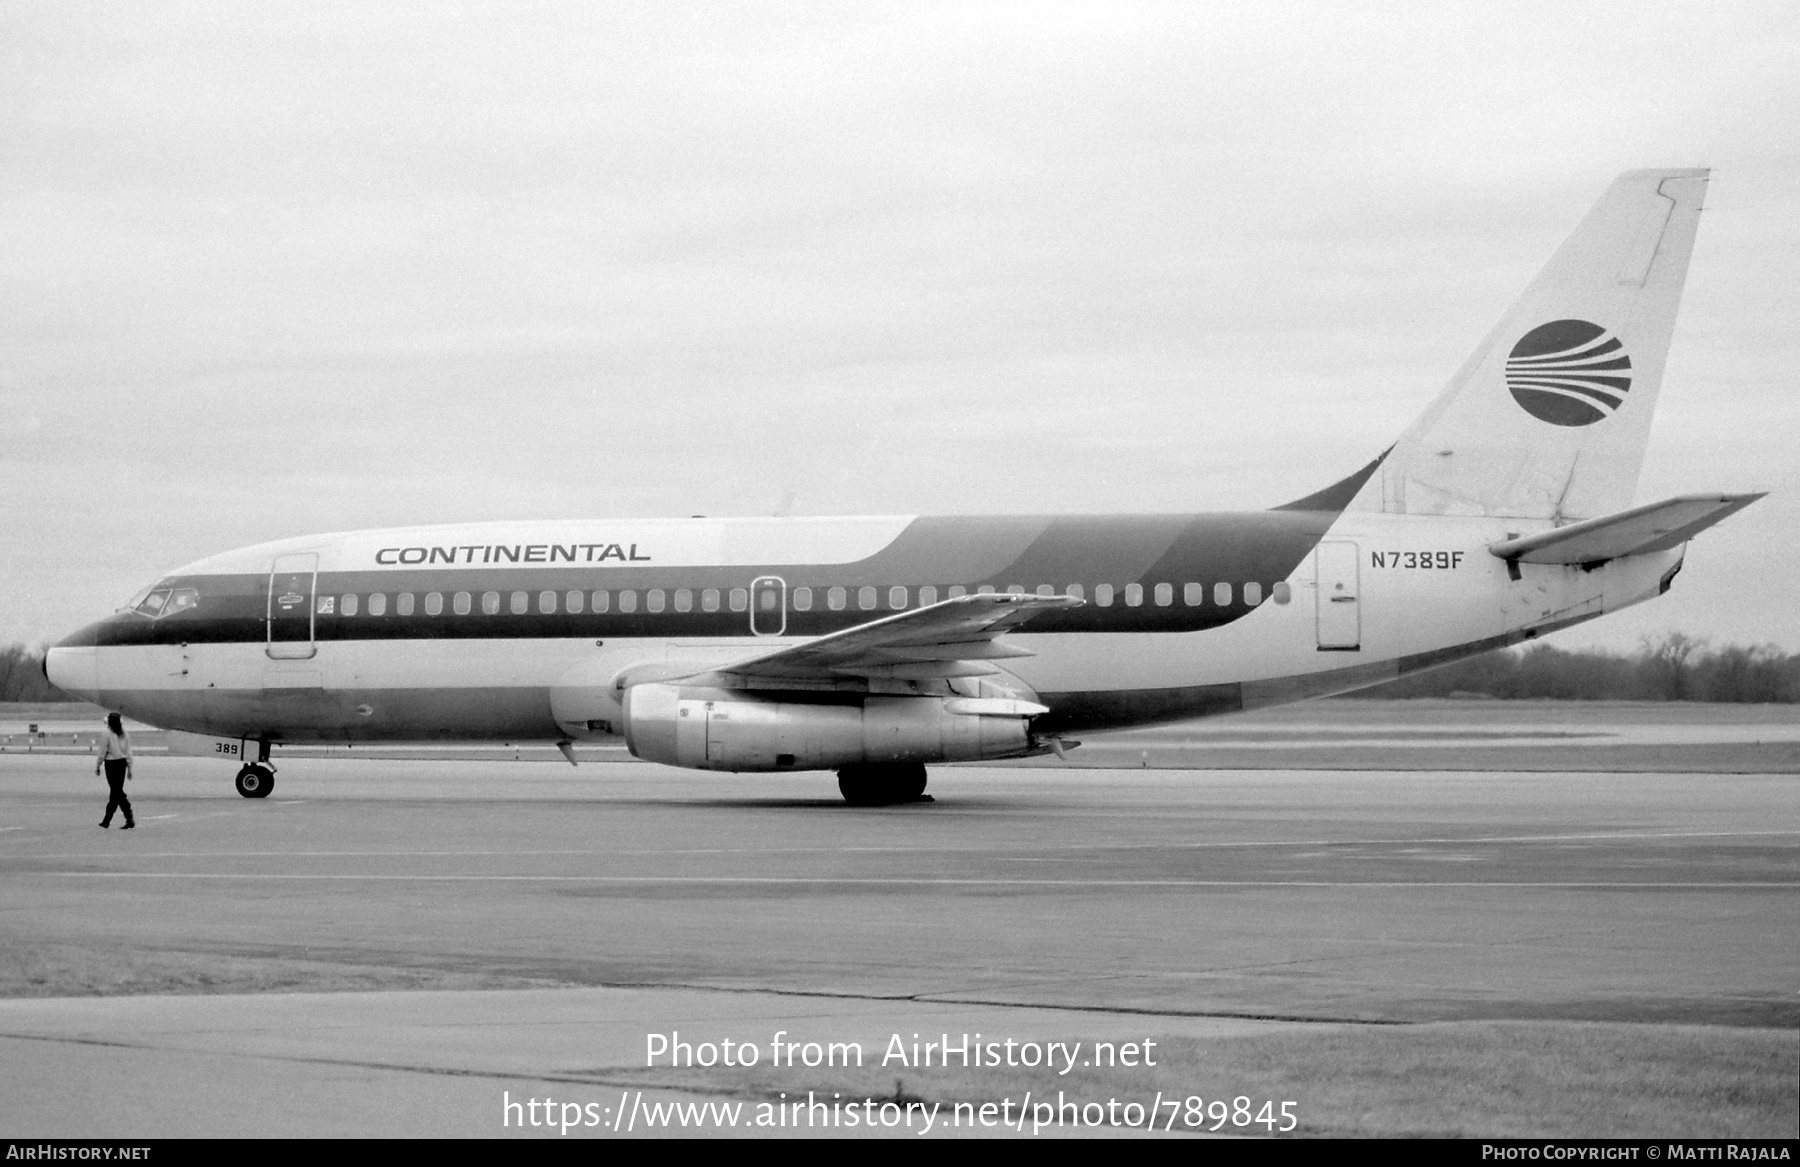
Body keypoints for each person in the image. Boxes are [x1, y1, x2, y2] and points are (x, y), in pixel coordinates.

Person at [96, 712, 134, 829]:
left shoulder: (106, 734)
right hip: (122, 764)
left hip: (111, 764)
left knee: (116, 792)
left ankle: (115, 819)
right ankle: (116, 819)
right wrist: (129, 768)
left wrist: (98, 765)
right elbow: (128, 753)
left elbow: (102, 751)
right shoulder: (124, 734)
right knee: (117, 792)